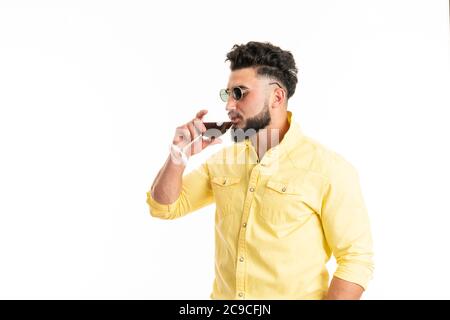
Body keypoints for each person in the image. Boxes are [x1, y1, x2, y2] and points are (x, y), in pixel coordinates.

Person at [147, 41, 374, 300]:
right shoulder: (224, 162)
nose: (229, 105)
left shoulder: (328, 169)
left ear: (277, 97)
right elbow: (164, 206)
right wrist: (179, 155)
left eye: (240, 93)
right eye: (228, 94)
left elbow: (356, 257)